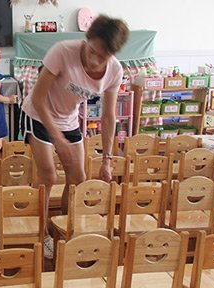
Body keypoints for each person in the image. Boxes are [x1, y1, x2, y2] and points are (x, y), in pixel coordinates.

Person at [21, 15, 129, 259]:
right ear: (86, 41)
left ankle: (64, 228)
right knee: (48, 175)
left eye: (102, 56)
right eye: (92, 51)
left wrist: (107, 160)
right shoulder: (62, 52)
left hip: (69, 119)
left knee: (78, 178)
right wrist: (58, 139)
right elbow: (38, 98)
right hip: (38, 114)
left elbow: (109, 117)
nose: (94, 60)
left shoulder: (114, 71)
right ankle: (42, 233)